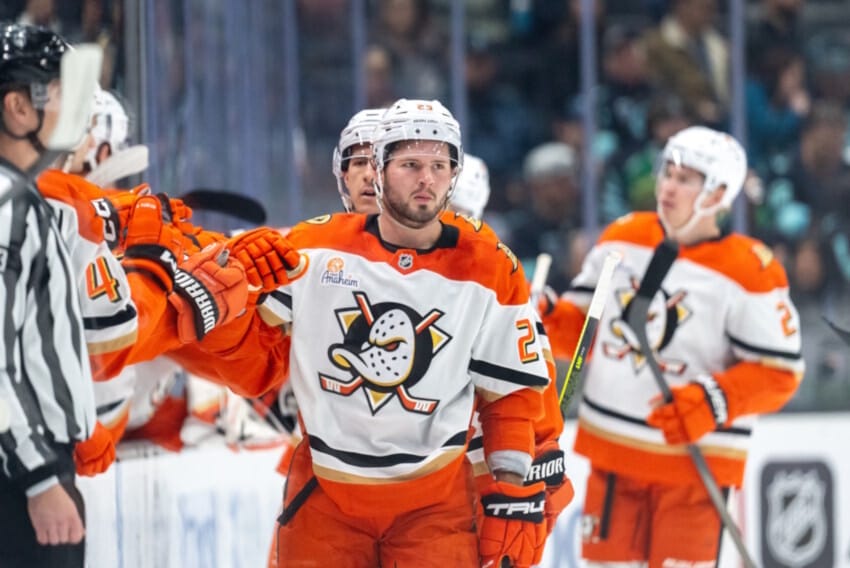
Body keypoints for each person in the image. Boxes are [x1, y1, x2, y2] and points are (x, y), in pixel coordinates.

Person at [234, 98, 553, 567]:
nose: (426, 181)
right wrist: (221, 283)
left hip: (439, 499)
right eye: (409, 165)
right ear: (378, 172)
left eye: (438, 167)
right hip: (327, 488)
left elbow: (519, 405)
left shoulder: (491, 268)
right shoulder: (314, 248)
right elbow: (245, 349)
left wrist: (515, 489)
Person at [543, 126, 805, 566]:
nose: (667, 186)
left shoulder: (750, 272)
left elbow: (781, 373)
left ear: (718, 193)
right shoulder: (623, 238)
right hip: (614, 459)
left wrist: (713, 400)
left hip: (694, 475)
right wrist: (545, 318)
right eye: (668, 173)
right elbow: (584, 332)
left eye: (685, 179)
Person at [0, 23, 98, 567]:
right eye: (60, 93)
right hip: (19, 475)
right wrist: (39, 478)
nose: (73, 110)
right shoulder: (7, 205)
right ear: (19, 108)